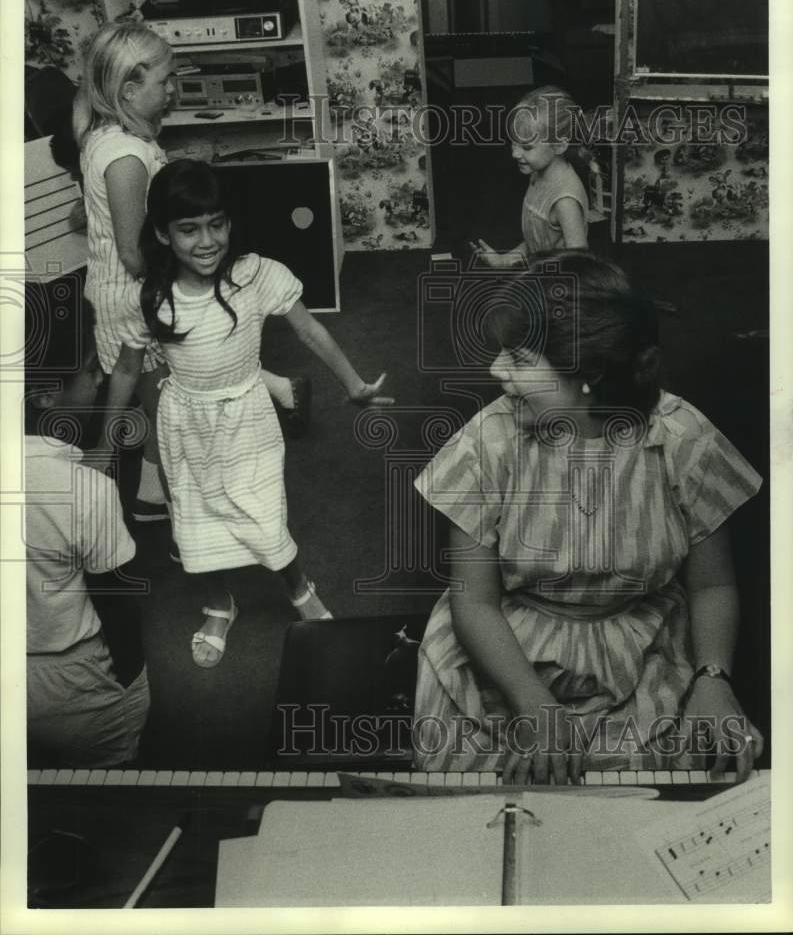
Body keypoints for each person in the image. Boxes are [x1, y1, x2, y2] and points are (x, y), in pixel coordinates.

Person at [413, 252, 764, 784]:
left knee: (637, 815)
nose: (495, 371)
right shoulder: (486, 443)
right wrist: (534, 706)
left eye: (520, 359)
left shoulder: (683, 438)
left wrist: (713, 678)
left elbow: (713, 585)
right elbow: (474, 601)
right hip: (503, 655)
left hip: (641, 653)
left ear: (589, 374)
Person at [100, 159, 393, 668]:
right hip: (184, 425)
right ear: (164, 235)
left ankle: (300, 590)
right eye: (188, 229)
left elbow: (310, 331)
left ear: (230, 224)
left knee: (264, 520)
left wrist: (354, 385)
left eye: (217, 224)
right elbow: (126, 372)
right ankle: (219, 604)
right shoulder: (149, 297)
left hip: (248, 419)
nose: (207, 240)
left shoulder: (258, 275)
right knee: (193, 525)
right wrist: (104, 445)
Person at [73, 25, 309, 526]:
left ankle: (152, 493)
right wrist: (203, 269)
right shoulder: (126, 158)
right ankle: (173, 505)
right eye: (165, 80)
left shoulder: (110, 137)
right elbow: (136, 254)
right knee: (167, 409)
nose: (173, 89)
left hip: (126, 293)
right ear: (128, 91)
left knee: (169, 390)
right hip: (134, 296)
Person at [25, 285, 150, 767]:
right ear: (44, 396)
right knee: (110, 795)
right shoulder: (87, 492)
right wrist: (133, 687)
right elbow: (117, 608)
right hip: (69, 686)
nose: (99, 379)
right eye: (89, 367)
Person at [472, 86, 597, 266]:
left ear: (559, 146)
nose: (515, 154)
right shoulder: (538, 173)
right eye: (514, 143)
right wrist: (504, 260)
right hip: (539, 273)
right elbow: (538, 240)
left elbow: (579, 262)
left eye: (527, 147)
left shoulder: (564, 202)